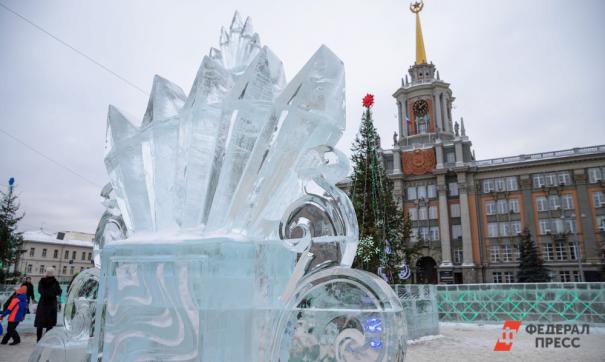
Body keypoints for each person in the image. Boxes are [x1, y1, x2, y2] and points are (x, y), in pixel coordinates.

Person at [34, 268, 62, 342]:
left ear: (46, 273)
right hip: (51, 304)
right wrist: (53, 294)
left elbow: (40, 291)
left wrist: (46, 294)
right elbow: (59, 292)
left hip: (43, 303)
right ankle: (45, 339)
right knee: (50, 323)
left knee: (40, 323)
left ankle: (38, 339)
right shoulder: (56, 282)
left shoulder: (42, 281)